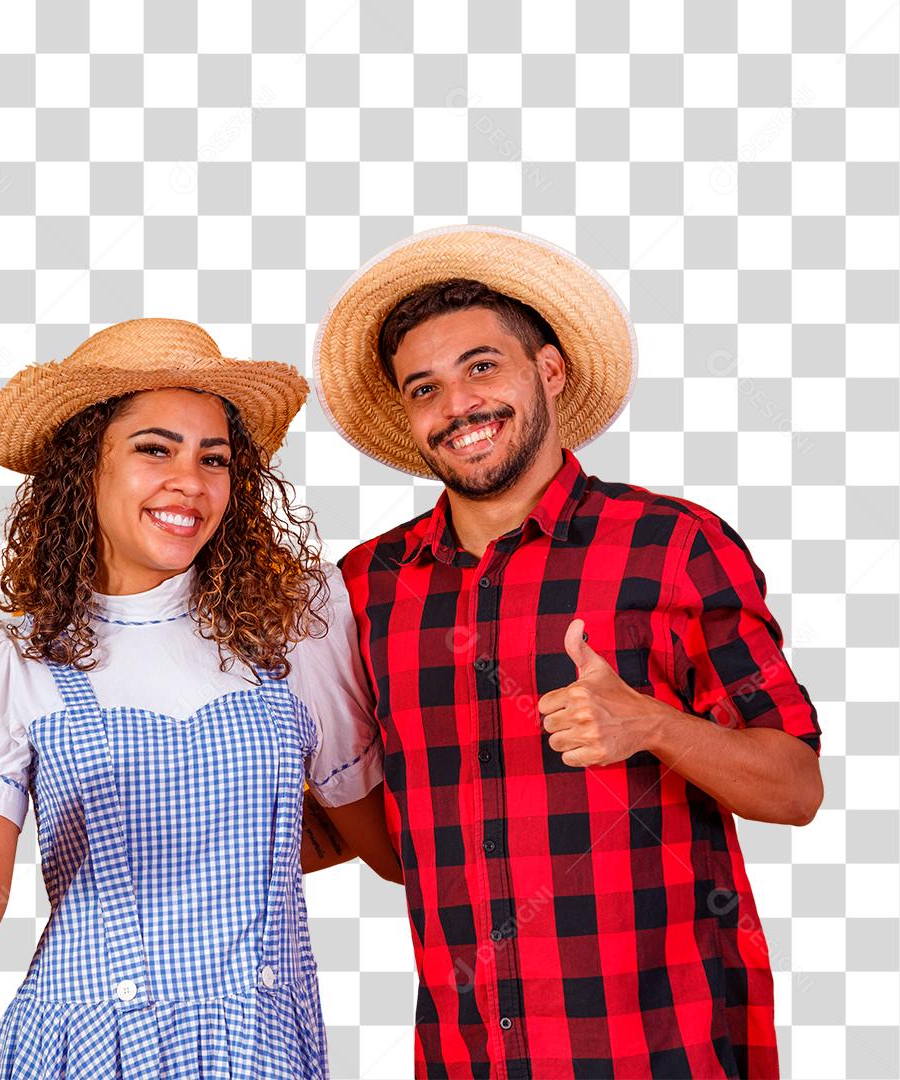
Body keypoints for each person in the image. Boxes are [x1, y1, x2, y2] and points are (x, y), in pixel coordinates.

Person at [313, 226, 824, 1079]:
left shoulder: (670, 546)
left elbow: (796, 787)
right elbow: (371, 815)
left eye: (483, 367)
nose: (459, 406)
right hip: (467, 1055)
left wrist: (652, 725)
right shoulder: (367, 587)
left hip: (661, 1051)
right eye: (425, 388)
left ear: (548, 370)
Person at [0, 317, 401, 1079]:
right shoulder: (5, 652)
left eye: (214, 458)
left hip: (261, 1049)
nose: (191, 482)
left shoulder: (295, 628)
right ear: (84, 467)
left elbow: (392, 853)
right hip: (82, 1052)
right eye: (153, 449)